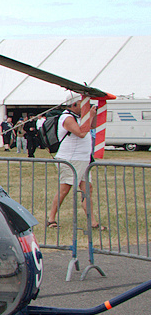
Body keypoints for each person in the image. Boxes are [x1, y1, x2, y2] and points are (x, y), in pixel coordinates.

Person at [46, 94, 101, 230]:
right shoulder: (67, 118)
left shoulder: (79, 117)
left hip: (83, 158)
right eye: (82, 104)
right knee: (65, 189)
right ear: (74, 105)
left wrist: (92, 114)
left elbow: (91, 126)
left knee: (87, 189)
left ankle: (92, 222)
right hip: (70, 158)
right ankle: (51, 218)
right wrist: (90, 115)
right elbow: (81, 133)